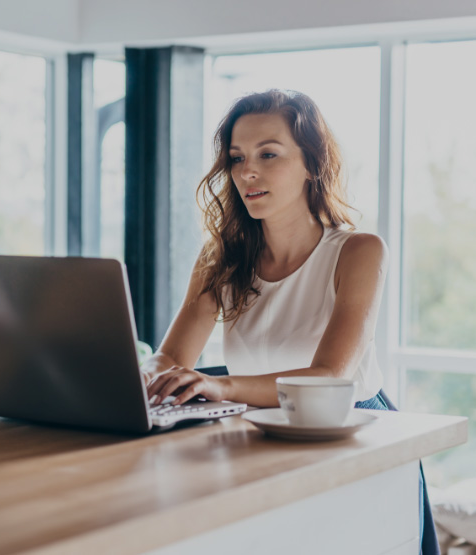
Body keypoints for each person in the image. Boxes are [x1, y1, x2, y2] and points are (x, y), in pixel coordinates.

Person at [142, 89, 439, 554]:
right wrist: (136, 376)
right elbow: (170, 357)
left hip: (355, 437)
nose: (247, 172)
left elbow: (330, 377)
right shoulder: (219, 257)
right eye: (237, 158)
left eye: (268, 154)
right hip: (259, 436)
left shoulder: (359, 251)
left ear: (311, 164)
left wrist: (223, 386)